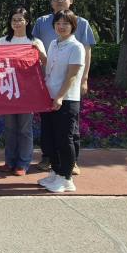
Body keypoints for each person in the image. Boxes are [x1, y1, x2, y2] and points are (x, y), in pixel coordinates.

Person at [32, 0, 95, 175]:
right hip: (48, 87)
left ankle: (70, 164)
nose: (61, 26)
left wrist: (84, 79)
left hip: (67, 92)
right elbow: (47, 60)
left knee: (68, 128)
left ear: (71, 1)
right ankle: (51, 160)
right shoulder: (50, 37)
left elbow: (80, 63)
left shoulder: (79, 35)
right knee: (49, 127)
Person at [35, 10, 84, 193]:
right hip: (48, 96)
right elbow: (49, 66)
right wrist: (39, 52)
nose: (61, 27)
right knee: (50, 138)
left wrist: (60, 96)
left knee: (64, 139)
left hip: (66, 99)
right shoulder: (53, 44)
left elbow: (72, 75)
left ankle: (66, 178)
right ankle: (56, 172)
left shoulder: (76, 47)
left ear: (73, 25)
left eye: (66, 23)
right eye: (58, 23)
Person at [0, 8, 46, 176]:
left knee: (25, 129)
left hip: (27, 92)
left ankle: (23, 163)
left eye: (20, 20)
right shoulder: (3, 41)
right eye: (14, 20)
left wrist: (38, 51)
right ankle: (10, 160)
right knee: (9, 128)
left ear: (27, 21)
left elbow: (45, 63)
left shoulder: (34, 41)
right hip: (7, 90)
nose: (16, 23)